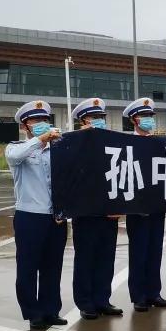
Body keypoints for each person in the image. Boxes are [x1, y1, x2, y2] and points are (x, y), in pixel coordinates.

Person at [6, 100, 68, 331]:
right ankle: (33, 312)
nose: (42, 124)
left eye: (44, 120)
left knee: (53, 266)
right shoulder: (16, 148)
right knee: (28, 267)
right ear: (25, 126)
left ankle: (51, 310)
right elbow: (14, 158)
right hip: (30, 216)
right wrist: (40, 139)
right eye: (36, 121)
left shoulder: (58, 150)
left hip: (56, 217)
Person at [69, 98, 122, 319]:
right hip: (86, 213)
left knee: (106, 257)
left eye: (101, 118)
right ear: (83, 121)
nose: (99, 122)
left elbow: (121, 175)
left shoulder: (111, 143)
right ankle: (85, 302)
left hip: (108, 213)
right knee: (86, 258)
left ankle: (102, 299)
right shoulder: (72, 144)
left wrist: (119, 205)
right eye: (94, 118)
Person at [122, 98, 166, 312]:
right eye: (145, 117)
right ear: (134, 119)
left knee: (155, 251)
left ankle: (154, 292)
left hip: (156, 206)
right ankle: (139, 295)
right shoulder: (126, 144)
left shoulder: (158, 144)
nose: (149, 120)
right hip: (137, 208)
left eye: (151, 116)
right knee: (139, 251)